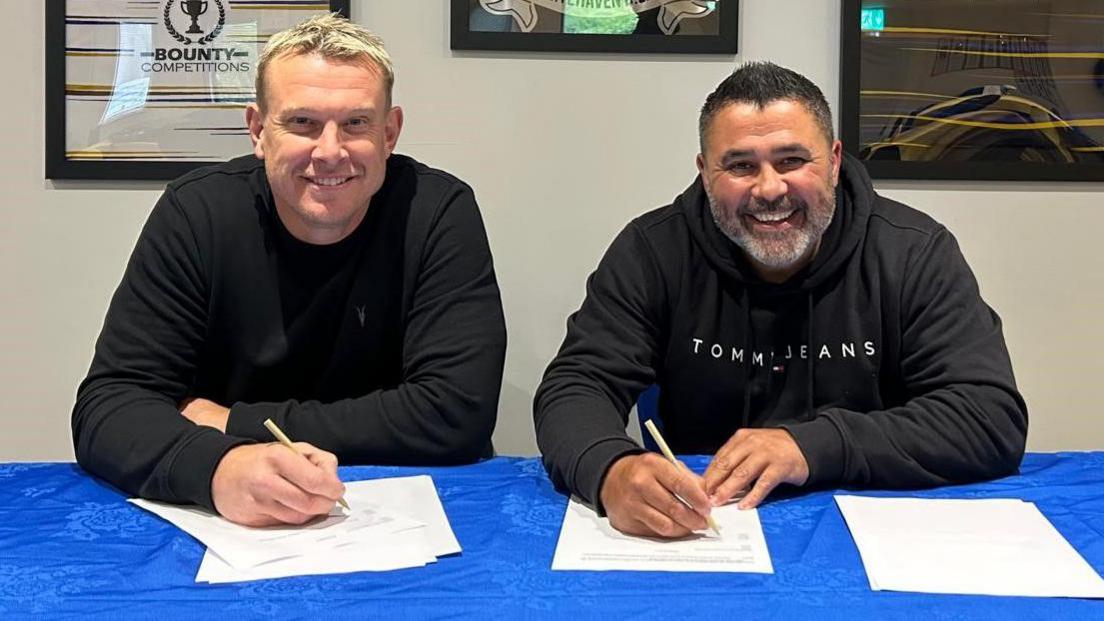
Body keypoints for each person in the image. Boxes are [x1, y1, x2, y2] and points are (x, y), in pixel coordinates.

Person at [533, 61, 1027, 539]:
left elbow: (988, 416)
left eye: (792, 160)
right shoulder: (652, 251)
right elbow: (575, 387)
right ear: (706, 173)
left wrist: (811, 445)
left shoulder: (913, 251)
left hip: (876, 525)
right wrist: (610, 469)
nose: (770, 188)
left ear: (834, 160)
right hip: (707, 528)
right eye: (740, 166)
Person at [73, 14, 506, 527]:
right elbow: (109, 407)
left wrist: (235, 422)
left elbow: (457, 412)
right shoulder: (198, 214)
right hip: (233, 516)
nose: (330, 151)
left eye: (356, 123)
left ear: (390, 133)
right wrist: (220, 468)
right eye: (302, 123)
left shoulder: (436, 212)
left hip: (406, 509)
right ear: (258, 130)